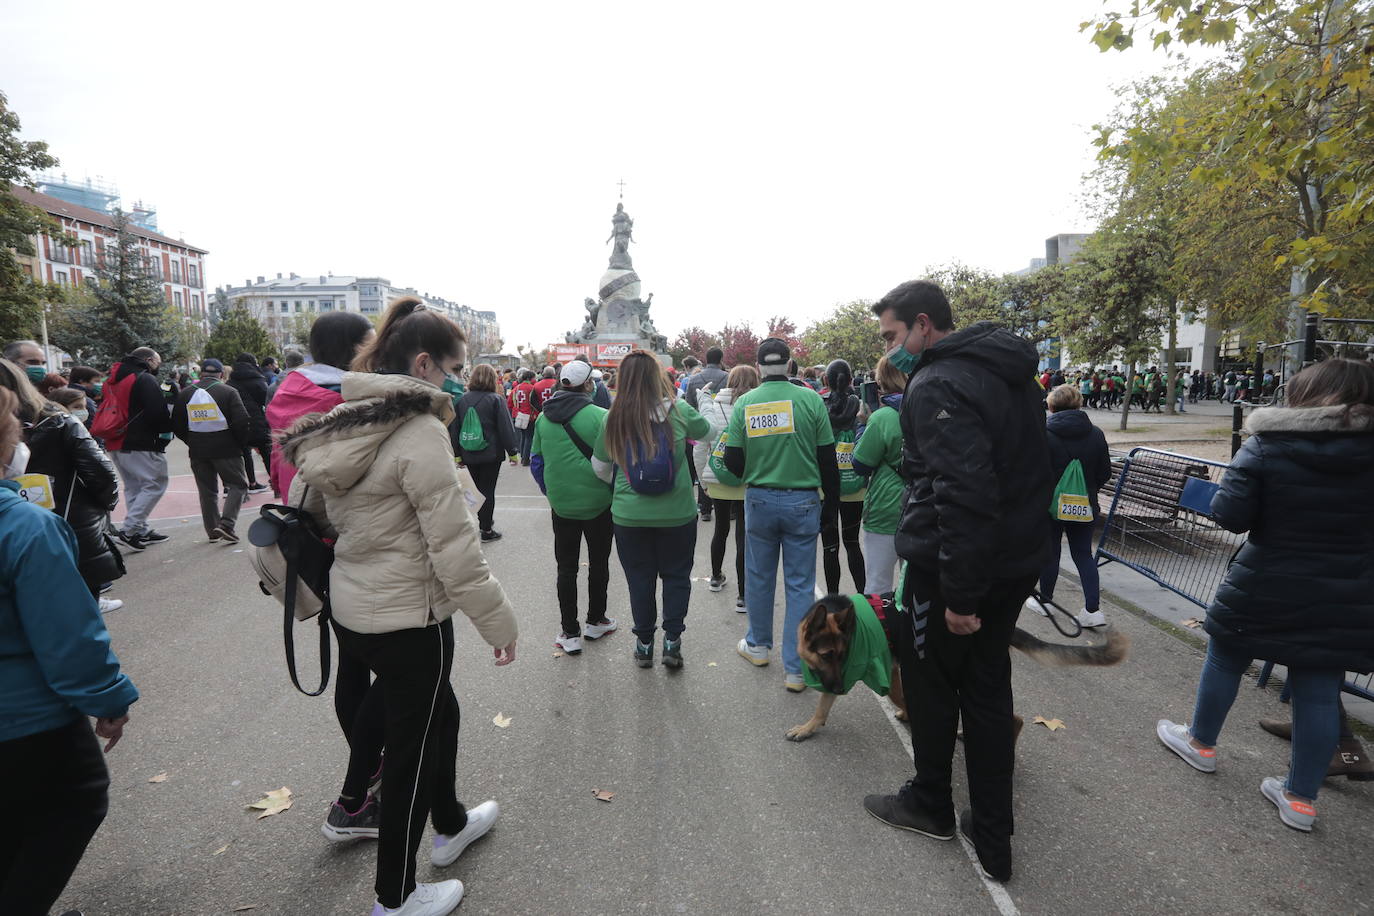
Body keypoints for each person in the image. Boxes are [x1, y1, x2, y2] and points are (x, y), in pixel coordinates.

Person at [281, 297, 517, 916]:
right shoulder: (418, 430)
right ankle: (397, 896)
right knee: (411, 752)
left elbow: (315, 513)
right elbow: (453, 543)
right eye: (452, 367)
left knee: (442, 713)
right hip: (411, 616)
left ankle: (452, 820)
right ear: (421, 363)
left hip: (356, 607)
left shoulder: (340, 421)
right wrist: (498, 620)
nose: (458, 378)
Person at [862, 280, 1052, 884]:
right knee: (990, 689)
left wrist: (961, 597)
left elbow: (963, 493)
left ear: (923, 324)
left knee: (935, 688)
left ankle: (931, 802)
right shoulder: (1010, 372)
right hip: (1013, 559)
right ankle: (994, 833)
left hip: (956, 571)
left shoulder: (938, 383)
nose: (891, 351)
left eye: (894, 336)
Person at [1156, 358, 1374, 833]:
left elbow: (1231, 515)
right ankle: (1300, 800)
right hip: (1347, 590)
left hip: (1266, 579)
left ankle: (1201, 744)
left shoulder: (1267, 445)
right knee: (1318, 690)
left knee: (1225, 659)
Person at [0, 385, 140, 916]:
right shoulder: (24, 527)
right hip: (25, 722)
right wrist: (108, 699)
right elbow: (69, 635)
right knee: (76, 801)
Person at [723, 338, 839, 692]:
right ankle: (796, 668)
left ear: (758, 367)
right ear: (790, 365)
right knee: (801, 585)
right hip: (803, 502)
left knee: (758, 576)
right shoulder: (810, 400)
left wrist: (756, 472)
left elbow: (731, 459)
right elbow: (827, 460)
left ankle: (758, 645)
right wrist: (830, 507)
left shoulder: (746, 402)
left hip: (759, 500)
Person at [592, 350, 710, 668]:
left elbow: (600, 467)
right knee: (676, 577)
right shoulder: (680, 410)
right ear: (658, 377)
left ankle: (644, 644)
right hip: (678, 513)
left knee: (640, 579)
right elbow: (709, 433)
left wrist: (619, 488)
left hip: (630, 515)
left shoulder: (612, 416)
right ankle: (672, 642)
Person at [0, 360, 125, 614]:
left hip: (60, 520)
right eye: (32, 362)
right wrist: (103, 506)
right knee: (74, 613)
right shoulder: (58, 421)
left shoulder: (57, 422)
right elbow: (101, 472)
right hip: (67, 522)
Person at [532, 360, 618, 654]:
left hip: (562, 504)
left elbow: (536, 462)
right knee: (599, 563)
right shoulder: (601, 416)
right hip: (599, 503)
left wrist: (551, 492)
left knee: (566, 567)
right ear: (588, 385)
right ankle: (596, 621)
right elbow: (614, 462)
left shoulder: (544, 419)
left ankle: (569, 632)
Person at [1023, 384, 1111, 628]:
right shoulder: (1096, 434)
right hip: (1085, 504)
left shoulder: (1043, 433)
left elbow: (1032, 471)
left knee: (1050, 552)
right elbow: (1105, 472)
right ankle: (1092, 611)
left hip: (1048, 505)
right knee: (1083, 554)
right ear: (1079, 404)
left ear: (1051, 406)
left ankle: (1046, 601)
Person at [266, 312, 374, 502]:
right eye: (373, 345)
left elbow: (277, 451)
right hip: (331, 511)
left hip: (294, 502)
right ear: (356, 350)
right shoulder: (344, 400)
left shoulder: (289, 390)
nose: (378, 353)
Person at [693, 364, 759, 610]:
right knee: (744, 534)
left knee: (720, 529)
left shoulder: (714, 406)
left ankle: (715, 576)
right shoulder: (756, 407)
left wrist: (703, 479)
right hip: (748, 478)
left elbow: (700, 447)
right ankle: (743, 594)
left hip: (717, 476)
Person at [171, 358, 251, 544]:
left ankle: (212, 530)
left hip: (198, 450)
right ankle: (227, 524)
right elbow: (242, 421)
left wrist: (191, 441)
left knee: (207, 491)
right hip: (227, 448)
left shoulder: (185, 394)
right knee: (238, 485)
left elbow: (176, 424)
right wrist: (239, 443)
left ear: (201, 374)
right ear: (221, 374)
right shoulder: (229, 392)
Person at [104, 347, 174, 551]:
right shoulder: (144, 378)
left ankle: (139, 530)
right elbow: (157, 411)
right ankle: (130, 530)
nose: (158, 366)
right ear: (149, 360)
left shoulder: (113, 379)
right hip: (140, 440)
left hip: (117, 438)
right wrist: (164, 435)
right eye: (157, 362)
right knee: (154, 484)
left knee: (135, 486)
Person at [851, 355, 907, 594]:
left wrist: (863, 425)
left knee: (877, 584)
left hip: (885, 509)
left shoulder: (882, 418)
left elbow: (861, 463)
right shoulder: (926, 409)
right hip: (921, 506)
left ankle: (877, 631)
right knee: (913, 587)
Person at [451, 363, 519, 542]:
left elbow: (454, 428)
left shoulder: (461, 400)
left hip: (467, 452)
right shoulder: (496, 400)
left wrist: (457, 454)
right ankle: (486, 529)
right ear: (492, 379)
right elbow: (505, 428)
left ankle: (474, 523)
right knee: (487, 490)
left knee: (472, 490)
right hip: (491, 454)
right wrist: (512, 452)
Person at [820, 359, 866, 595]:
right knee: (852, 542)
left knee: (830, 546)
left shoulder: (819, 406)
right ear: (851, 380)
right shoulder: (861, 406)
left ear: (825, 380)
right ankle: (863, 597)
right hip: (854, 485)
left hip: (826, 486)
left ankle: (832, 600)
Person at [227, 353, 272, 494]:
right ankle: (276, 483)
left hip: (238, 423)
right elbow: (266, 399)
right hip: (258, 422)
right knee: (267, 452)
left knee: (245, 453)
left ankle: (251, 483)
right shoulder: (258, 380)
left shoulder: (230, 382)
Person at [512, 369, 539, 465]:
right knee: (529, 437)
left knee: (523, 436)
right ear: (530, 378)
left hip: (519, 414)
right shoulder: (531, 388)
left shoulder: (517, 387)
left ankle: (523, 456)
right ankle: (526, 459)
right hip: (529, 416)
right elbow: (534, 403)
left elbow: (512, 401)